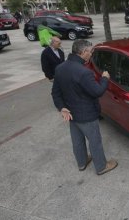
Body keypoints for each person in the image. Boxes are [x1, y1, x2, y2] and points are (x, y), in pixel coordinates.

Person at [52, 39, 118, 175]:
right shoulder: (84, 72)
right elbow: (97, 91)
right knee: (95, 141)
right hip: (87, 115)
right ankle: (101, 166)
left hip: (71, 113)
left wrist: (62, 107)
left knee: (77, 141)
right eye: (91, 51)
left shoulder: (60, 68)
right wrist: (105, 78)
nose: (92, 53)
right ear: (83, 52)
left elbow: (55, 93)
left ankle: (81, 163)